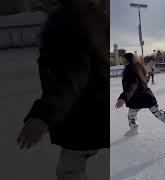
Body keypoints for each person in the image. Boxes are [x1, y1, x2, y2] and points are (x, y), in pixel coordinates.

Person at [16, 0, 109, 180]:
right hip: (94, 113)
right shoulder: (93, 17)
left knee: (70, 172)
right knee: (71, 169)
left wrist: (43, 115)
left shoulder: (68, 22)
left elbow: (71, 76)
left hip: (85, 116)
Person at [115, 53, 165, 140]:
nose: (124, 62)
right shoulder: (136, 68)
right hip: (136, 99)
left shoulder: (131, 71)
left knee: (159, 114)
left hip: (144, 97)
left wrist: (123, 98)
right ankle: (133, 129)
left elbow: (132, 86)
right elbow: (142, 82)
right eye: (124, 60)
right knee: (131, 116)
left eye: (126, 60)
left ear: (130, 61)